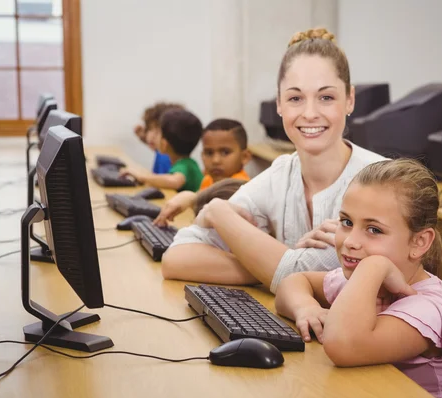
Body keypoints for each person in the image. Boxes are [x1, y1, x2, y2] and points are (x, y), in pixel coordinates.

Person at [161, 28, 385, 292]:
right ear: (279, 104)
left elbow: (295, 273)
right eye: (295, 98)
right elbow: (176, 258)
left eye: (326, 97)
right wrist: (271, 264)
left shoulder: (379, 183)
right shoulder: (280, 174)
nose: (310, 113)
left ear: (349, 100)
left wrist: (217, 211)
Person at [275, 159, 442, 398]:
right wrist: (306, 308)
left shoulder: (428, 310)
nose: (350, 240)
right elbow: (294, 282)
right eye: (347, 222)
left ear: (419, 242)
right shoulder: (366, 283)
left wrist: (375, 265)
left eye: (374, 230)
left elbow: (342, 346)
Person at [153, 119, 251, 226]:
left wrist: (191, 197)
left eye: (225, 152)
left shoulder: (242, 187)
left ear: (244, 157)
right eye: (209, 153)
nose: (215, 160)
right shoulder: (208, 179)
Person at [121, 108, 204, 192]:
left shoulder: (183, 166)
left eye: (157, 133)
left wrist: (141, 176)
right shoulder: (188, 163)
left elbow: (175, 181)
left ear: (164, 144)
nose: (153, 137)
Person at [135, 102, 184, 174]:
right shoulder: (165, 153)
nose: (151, 136)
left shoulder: (165, 159)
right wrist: (143, 138)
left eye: (158, 131)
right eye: (150, 129)